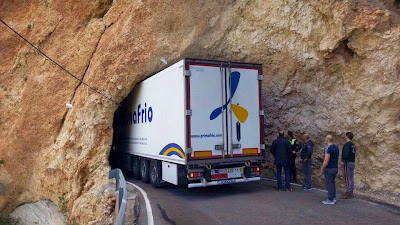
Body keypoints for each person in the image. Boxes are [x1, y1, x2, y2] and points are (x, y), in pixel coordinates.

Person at [320, 135, 339, 205]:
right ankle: (333, 197)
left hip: (329, 168)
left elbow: (326, 159)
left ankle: (330, 199)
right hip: (335, 167)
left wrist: (322, 167)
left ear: (327, 140)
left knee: (329, 184)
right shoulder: (336, 147)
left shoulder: (328, 148)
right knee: (332, 183)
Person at [341, 132, 356, 199]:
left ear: (347, 136)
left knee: (346, 177)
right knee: (350, 177)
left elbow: (346, 154)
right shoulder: (353, 144)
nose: (344, 137)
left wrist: (343, 161)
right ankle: (350, 191)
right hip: (352, 162)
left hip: (348, 162)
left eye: (345, 136)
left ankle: (348, 192)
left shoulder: (347, 144)